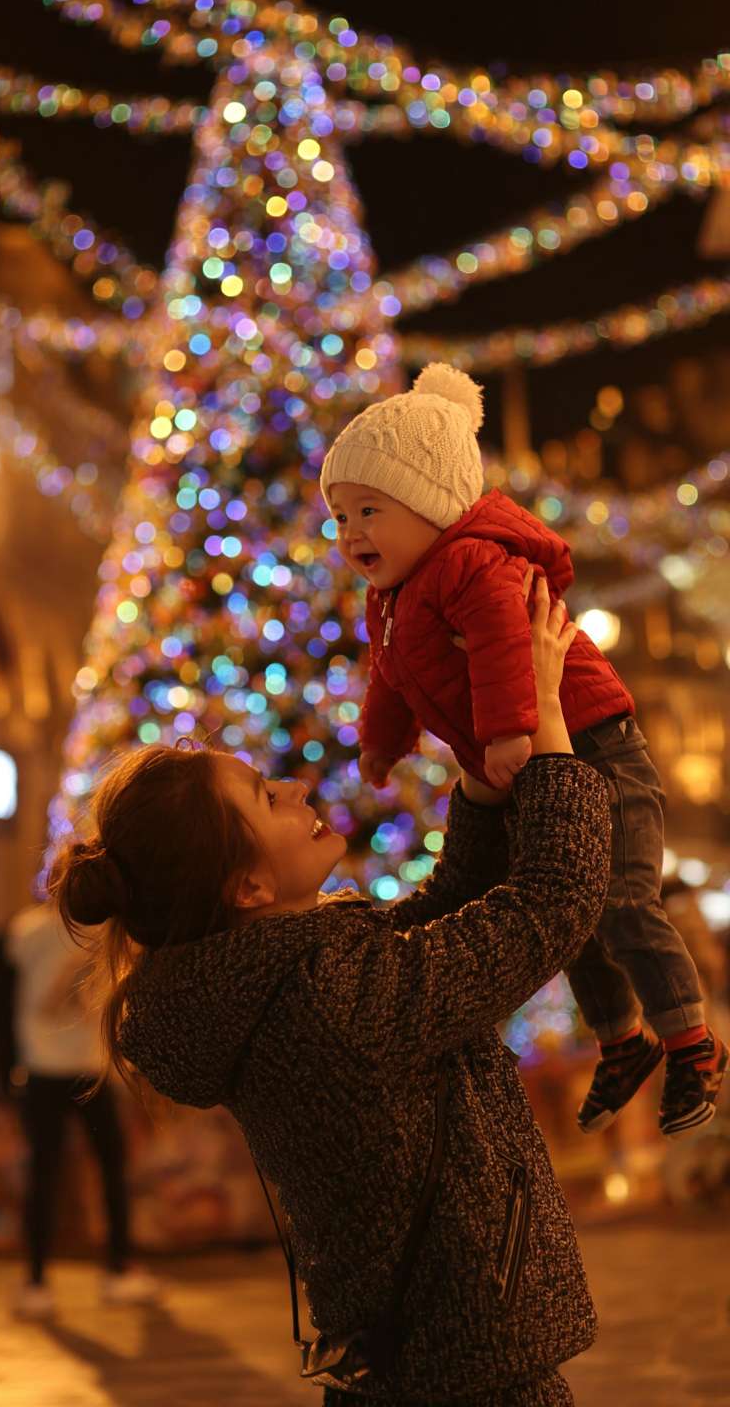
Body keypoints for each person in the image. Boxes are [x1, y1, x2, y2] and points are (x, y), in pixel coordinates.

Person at [51, 579, 607, 1405]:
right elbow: (551, 902)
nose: (296, 790)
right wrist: (552, 726)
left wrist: (487, 794)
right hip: (466, 1373)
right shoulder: (328, 1000)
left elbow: (434, 924)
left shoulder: (279, 985)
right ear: (244, 888)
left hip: (411, 1363)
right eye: (263, 798)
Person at [320, 362, 728, 1140]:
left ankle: (693, 1040)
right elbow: (392, 681)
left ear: (432, 503)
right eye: (340, 517)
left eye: (369, 509)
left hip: (599, 749)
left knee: (622, 903)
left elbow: (509, 644)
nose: (352, 534)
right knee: (568, 911)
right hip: (535, 764)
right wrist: (380, 745)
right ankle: (621, 1040)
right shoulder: (393, 601)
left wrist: (510, 728)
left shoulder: (473, 562)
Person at [6, 899, 158, 1319]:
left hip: (40, 1065)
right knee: (112, 1169)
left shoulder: (26, 930)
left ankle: (36, 1282)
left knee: (43, 1172)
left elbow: (6, 980)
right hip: (90, 1069)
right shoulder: (108, 932)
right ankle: (118, 1270)